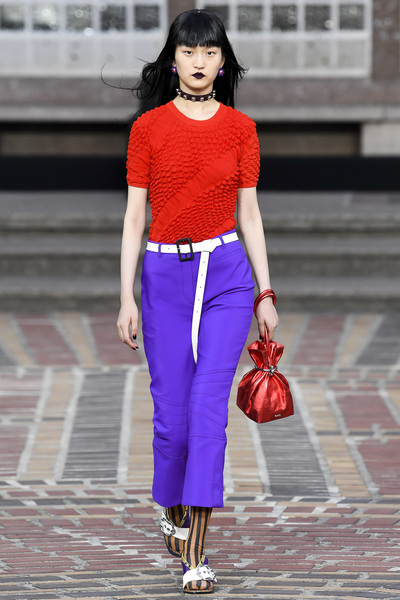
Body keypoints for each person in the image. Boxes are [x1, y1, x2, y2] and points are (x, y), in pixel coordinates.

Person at [117, 8, 279, 594]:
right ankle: (171, 507)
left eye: (210, 52)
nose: (199, 62)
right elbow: (134, 217)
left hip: (227, 277)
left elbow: (250, 216)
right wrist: (126, 296)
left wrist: (264, 292)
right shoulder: (148, 129)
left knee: (208, 412)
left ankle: (196, 557)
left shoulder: (241, 129)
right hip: (164, 276)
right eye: (188, 51)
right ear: (173, 60)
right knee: (173, 422)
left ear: (223, 62)